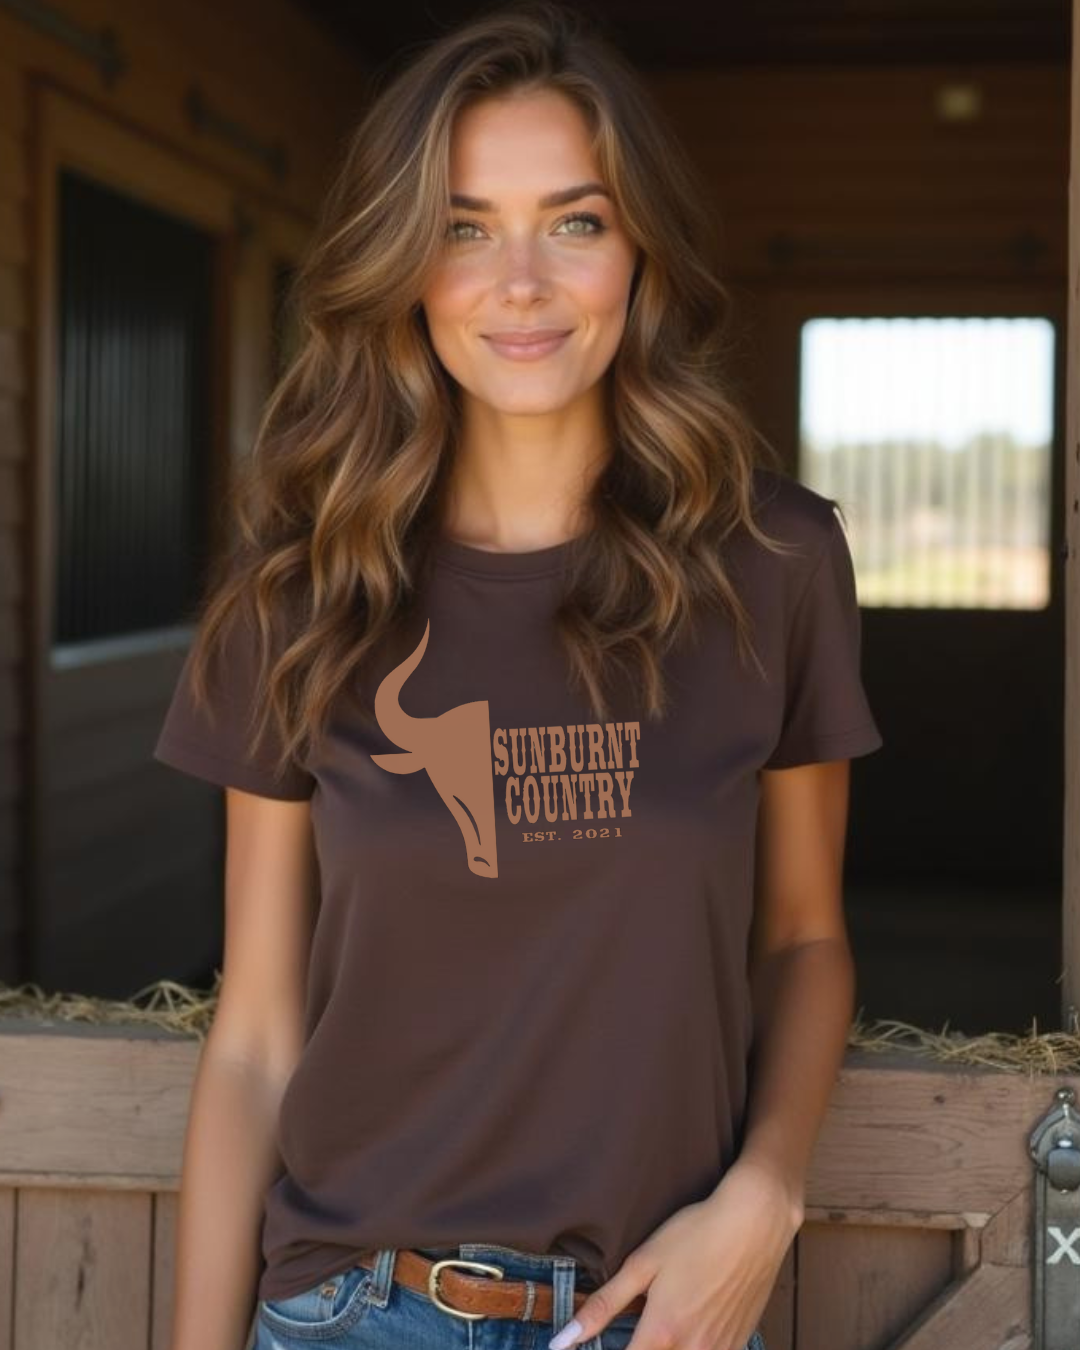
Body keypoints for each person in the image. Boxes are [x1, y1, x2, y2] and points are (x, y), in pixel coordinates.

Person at [152, 3, 884, 1349]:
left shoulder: (773, 562)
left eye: (577, 220)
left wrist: (767, 1193)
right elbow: (254, 1034)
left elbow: (804, 936)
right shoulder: (302, 591)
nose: (522, 280)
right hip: (350, 1309)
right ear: (405, 264)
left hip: (646, 1312)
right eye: (466, 225)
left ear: (639, 249)